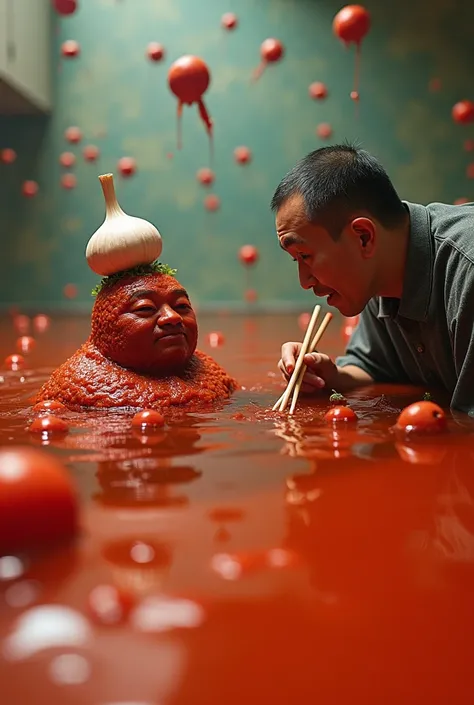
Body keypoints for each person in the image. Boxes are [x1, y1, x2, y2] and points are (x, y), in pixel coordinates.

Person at [271, 143, 474, 414]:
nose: (304, 281)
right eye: (296, 260)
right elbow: (371, 366)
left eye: (305, 255)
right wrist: (332, 377)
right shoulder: (375, 274)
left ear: (363, 236)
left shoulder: (467, 270)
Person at [35, 264, 237, 409]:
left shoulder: (211, 373)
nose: (172, 317)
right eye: (146, 308)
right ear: (106, 327)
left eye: (182, 306)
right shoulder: (71, 392)